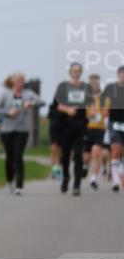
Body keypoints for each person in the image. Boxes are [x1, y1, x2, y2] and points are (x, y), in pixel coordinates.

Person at [0, 72, 45, 195]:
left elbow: (42, 102)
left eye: (22, 81)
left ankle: (19, 186)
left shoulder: (28, 94)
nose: (20, 84)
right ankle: (9, 180)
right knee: (9, 158)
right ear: (12, 82)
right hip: (7, 129)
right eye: (18, 81)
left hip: (22, 130)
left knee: (18, 156)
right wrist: (8, 112)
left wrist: (31, 103)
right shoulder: (5, 94)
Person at [53, 62, 92, 196]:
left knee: (78, 155)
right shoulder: (63, 86)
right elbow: (57, 105)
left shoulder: (86, 87)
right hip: (66, 125)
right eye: (74, 71)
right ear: (70, 72)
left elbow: (90, 104)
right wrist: (68, 109)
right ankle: (66, 177)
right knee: (65, 155)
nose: (76, 73)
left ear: (81, 73)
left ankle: (77, 185)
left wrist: (91, 111)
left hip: (80, 125)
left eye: (78, 71)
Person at [102, 65, 124, 193]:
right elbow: (103, 99)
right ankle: (115, 181)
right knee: (115, 149)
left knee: (121, 151)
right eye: (122, 74)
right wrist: (104, 109)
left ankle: (119, 172)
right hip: (114, 122)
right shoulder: (111, 87)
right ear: (118, 75)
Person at [83, 74, 107, 190]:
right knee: (86, 156)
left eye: (96, 83)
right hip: (86, 128)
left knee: (96, 152)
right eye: (91, 83)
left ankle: (93, 178)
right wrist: (88, 114)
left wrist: (103, 113)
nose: (94, 85)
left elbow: (107, 111)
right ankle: (85, 166)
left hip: (99, 128)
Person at [47, 93, 63, 182]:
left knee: (61, 151)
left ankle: (59, 169)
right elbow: (49, 116)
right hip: (54, 129)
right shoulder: (52, 106)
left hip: (64, 130)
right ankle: (55, 171)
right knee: (53, 149)